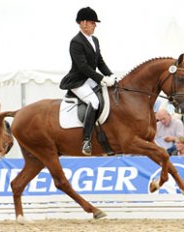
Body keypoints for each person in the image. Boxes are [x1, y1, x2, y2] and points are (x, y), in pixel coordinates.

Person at [59, 7, 116, 156]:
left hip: (90, 79)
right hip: (78, 81)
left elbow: (100, 62)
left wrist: (111, 76)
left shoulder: (94, 40)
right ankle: (86, 140)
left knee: (108, 95)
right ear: (83, 23)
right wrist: (102, 79)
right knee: (94, 102)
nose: (95, 25)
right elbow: (83, 67)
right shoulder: (76, 42)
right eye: (92, 22)